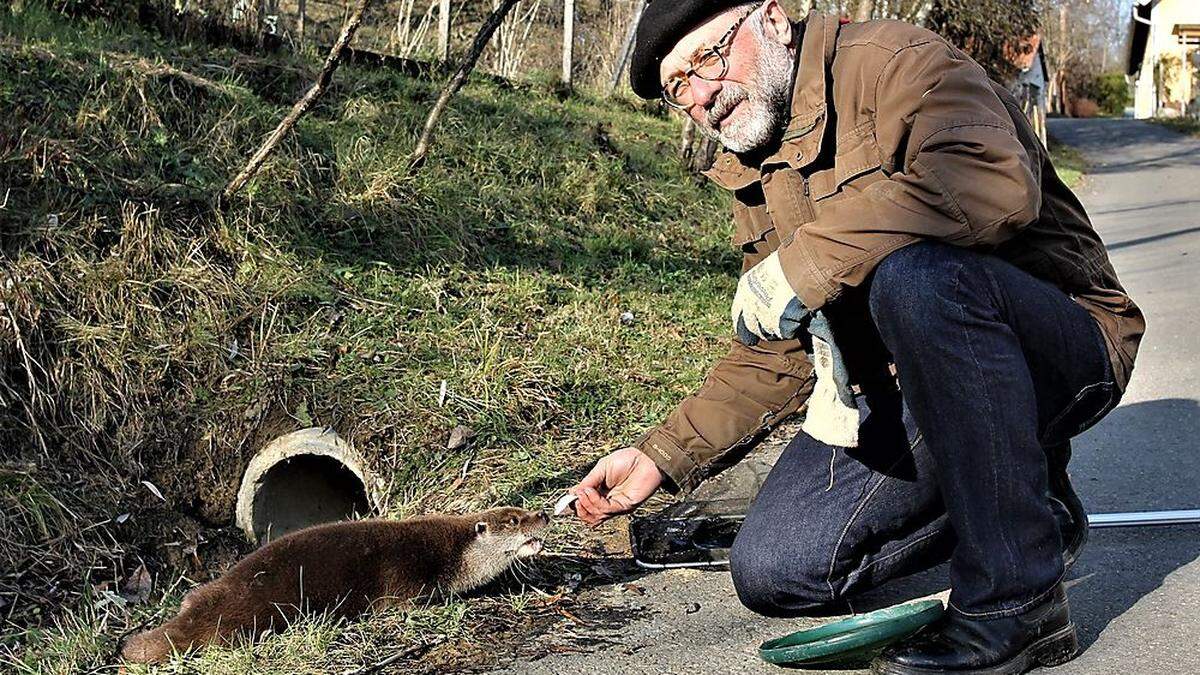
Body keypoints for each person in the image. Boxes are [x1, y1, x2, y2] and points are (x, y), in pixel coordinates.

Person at [567, 2, 1145, 673]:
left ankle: (1015, 602)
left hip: (1059, 346)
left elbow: (994, 185)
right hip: (918, 387)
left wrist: (807, 262)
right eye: (678, 90)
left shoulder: (901, 64)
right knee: (776, 568)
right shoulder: (757, 165)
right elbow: (776, 350)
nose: (701, 97)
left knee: (915, 276)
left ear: (774, 21)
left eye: (706, 58)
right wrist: (661, 454)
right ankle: (1023, 499)